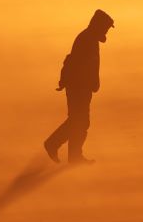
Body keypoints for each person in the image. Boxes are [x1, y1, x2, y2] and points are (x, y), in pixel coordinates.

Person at [44, 9, 114, 164]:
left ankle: (74, 156)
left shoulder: (89, 38)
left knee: (79, 121)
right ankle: (53, 144)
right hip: (78, 88)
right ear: (99, 25)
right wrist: (80, 85)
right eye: (106, 27)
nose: (107, 31)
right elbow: (76, 64)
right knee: (79, 121)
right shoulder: (87, 39)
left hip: (81, 87)